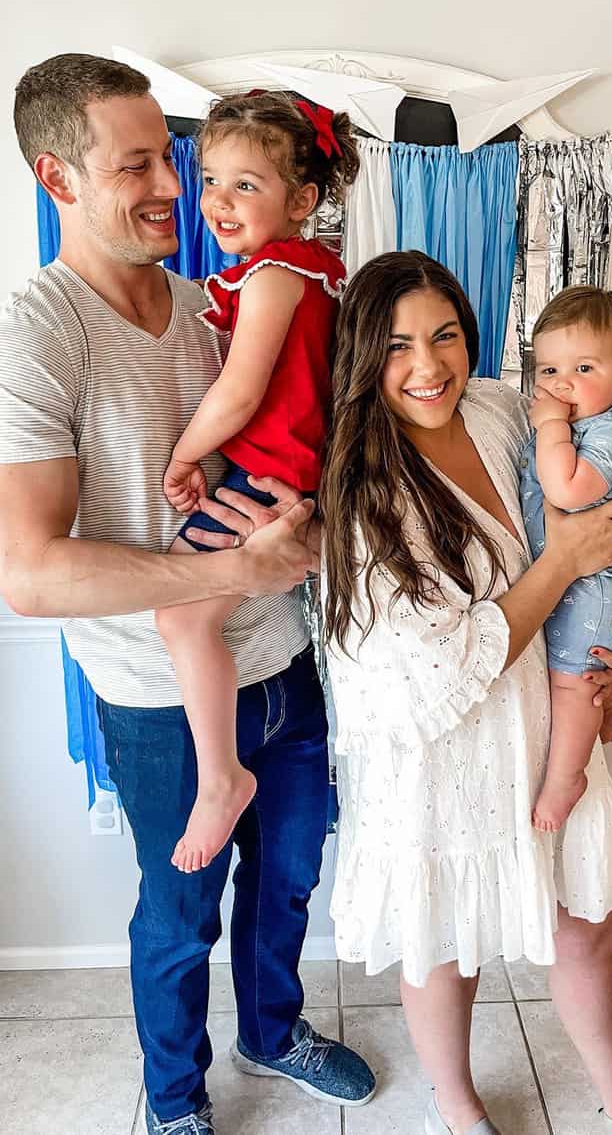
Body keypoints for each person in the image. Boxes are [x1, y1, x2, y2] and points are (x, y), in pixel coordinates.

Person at [0, 53, 374, 1135]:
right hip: (159, 696)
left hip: (285, 664)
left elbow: (313, 444)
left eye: (172, 159)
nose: (172, 188)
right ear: (57, 179)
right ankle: (176, 1099)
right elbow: (29, 571)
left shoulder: (224, 304)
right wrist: (234, 569)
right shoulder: (30, 341)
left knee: (285, 888)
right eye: (136, 164)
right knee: (180, 917)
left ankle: (273, 1033)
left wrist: (312, 532)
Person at [320, 251, 612, 1135]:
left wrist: (611, 647)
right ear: (367, 357)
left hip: (539, 711)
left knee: (591, 914)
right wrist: (565, 563)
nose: (430, 365)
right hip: (440, 745)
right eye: (400, 345)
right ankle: (457, 1100)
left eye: (446, 335)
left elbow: (598, 513)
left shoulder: (497, 408)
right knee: (447, 942)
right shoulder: (367, 486)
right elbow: (441, 661)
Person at [155, 91, 359, 874]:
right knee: (190, 614)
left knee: (179, 616)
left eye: (248, 184)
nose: (218, 201)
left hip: (267, 474)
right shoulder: (312, 273)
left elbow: (240, 392)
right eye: (211, 179)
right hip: (289, 473)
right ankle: (225, 775)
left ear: (302, 201)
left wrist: (182, 455)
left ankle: (221, 779)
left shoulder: (274, 274)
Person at [522, 286, 612, 832]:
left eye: (584, 367)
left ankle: (565, 779)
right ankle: (610, 703)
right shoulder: (580, 425)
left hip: (598, 586)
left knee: (573, 680)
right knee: (578, 676)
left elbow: (569, 490)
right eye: (548, 370)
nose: (561, 384)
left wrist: (549, 426)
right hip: (578, 581)